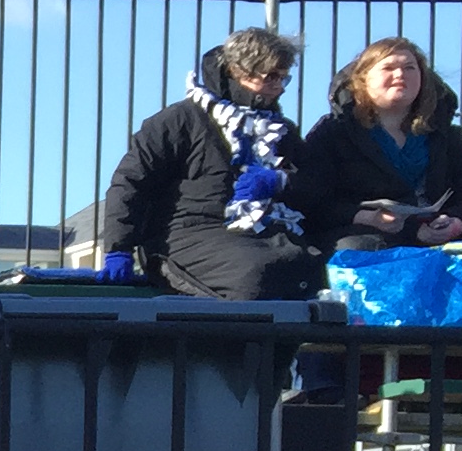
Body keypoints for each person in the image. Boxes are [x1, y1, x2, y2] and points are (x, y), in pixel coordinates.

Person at [97, 28, 324, 300]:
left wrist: (281, 181)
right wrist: (119, 248)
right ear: (237, 72)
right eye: (270, 77)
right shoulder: (179, 119)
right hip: (187, 233)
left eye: (283, 77)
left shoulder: (281, 129)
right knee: (255, 274)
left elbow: (315, 182)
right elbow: (132, 181)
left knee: (310, 268)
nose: (278, 87)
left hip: (265, 231)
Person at [299, 37, 462, 255]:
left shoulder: (446, 135)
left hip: (436, 241)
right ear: (362, 79)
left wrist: (455, 223)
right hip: (364, 242)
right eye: (388, 67)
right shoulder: (333, 133)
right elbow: (311, 201)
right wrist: (367, 217)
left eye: (409, 67)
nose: (400, 75)